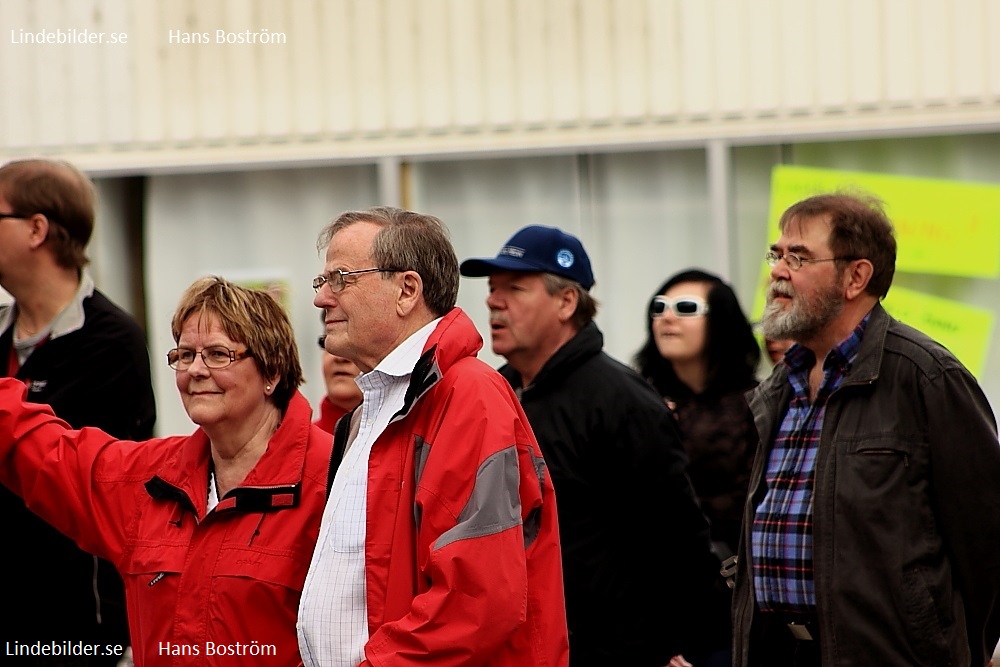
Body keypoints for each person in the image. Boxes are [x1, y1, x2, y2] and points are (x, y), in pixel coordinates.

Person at [0, 276, 332, 666]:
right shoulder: (149, 480)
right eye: (185, 355)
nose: (195, 370)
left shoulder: (336, 479)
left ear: (272, 373)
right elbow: (43, 452)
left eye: (218, 354)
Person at [734, 192, 1000, 666]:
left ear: (856, 276)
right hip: (776, 652)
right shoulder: (781, 384)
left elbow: (988, 547)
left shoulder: (925, 377)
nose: (777, 271)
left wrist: (951, 649)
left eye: (798, 257)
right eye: (776, 254)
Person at [299, 207, 568, 666]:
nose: (322, 299)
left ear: (407, 290)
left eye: (341, 278)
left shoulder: (467, 398)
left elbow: (476, 600)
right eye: (321, 282)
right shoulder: (372, 410)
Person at [461, 225, 718, 666]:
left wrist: (676, 644)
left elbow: (677, 537)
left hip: (614, 650)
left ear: (566, 302)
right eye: (491, 288)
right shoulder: (494, 393)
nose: (492, 300)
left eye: (515, 288)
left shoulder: (621, 400)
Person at [0, 158, 156, 663]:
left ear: (36, 229)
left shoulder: (110, 341)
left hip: (75, 624)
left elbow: (94, 481)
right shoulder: (3, 331)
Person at [634, 269, 761, 666]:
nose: (666, 317)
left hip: (738, 603)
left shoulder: (761, 404)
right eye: (659, 308)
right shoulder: (632, 401)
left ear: (720, 320)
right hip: (652, 603)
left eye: (686, 308)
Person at [313, 316, 363, 434]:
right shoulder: (298, 446)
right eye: (329, 342)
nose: (340, 357)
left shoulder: (405, 442)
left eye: (353, 344)